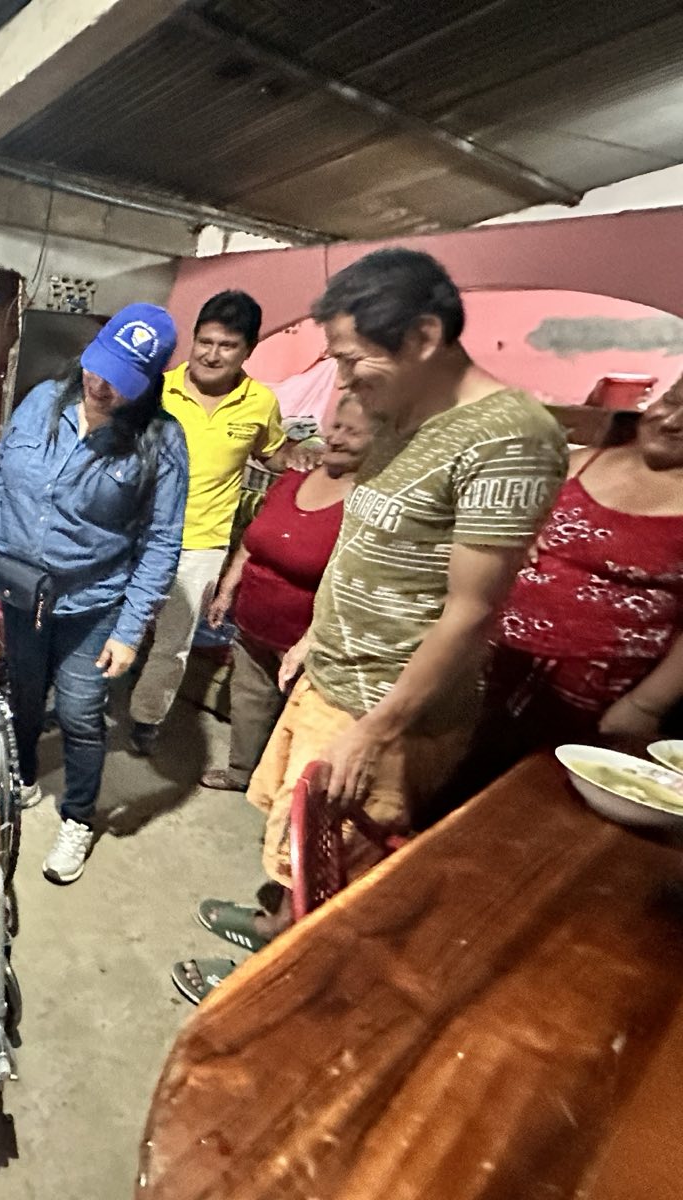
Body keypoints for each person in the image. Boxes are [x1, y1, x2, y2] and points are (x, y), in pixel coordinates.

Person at [175, 248, 567, 1003]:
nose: (344, 382)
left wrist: (378, 730)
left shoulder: (510, 436)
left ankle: (276, 989)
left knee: (341, 869)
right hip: (332, 677)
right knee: (296, 843)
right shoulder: (399, 417)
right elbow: (366, 546)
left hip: (387, 707)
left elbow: (472, 610)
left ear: (423, 337)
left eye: (354, 360)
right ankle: (274, 928)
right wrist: (317, 634)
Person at [0, 304, 189, 885]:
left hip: (93, 602)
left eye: (120, 382)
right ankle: (22, 776)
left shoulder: (161, 441)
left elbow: (161, 542)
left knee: (78, 711)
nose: (100, 386)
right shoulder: (41, 401)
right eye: (99, 369)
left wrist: (130, 631)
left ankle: (77, 816)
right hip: (22, 590)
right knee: (24, 693)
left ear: (148, 384)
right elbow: (0, 473)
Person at [475, 374, 683, 764]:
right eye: (672, 400)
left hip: (587, 701)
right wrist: (516, 531)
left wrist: (645, 706)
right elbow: (498, 523)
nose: (672, 421)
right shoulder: (584, 460)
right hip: (483, 661)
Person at [127, 291, 300, 756]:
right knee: (110, 622)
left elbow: (272, 453)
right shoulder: (157, 389)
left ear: (249, 349)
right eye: (205, 341)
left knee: (173, 641)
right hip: (134, 536)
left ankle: (146, 718)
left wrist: (302, 456)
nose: (212, 354)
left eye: (227, 346)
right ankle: (87, 702)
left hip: (202, 544)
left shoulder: (259, 402)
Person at [200, 395, 373, 793]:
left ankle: (290, 797)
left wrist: (311, 639)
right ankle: (241, 772)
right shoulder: (297, 475)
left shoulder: (367, 502)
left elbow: (348, 580)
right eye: (337, 426)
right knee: (249, 697)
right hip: (254, 620)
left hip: (305, 638)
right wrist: (227, 590)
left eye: (354, 432)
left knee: (302, 719)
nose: (338, 438)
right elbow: (254, 537)